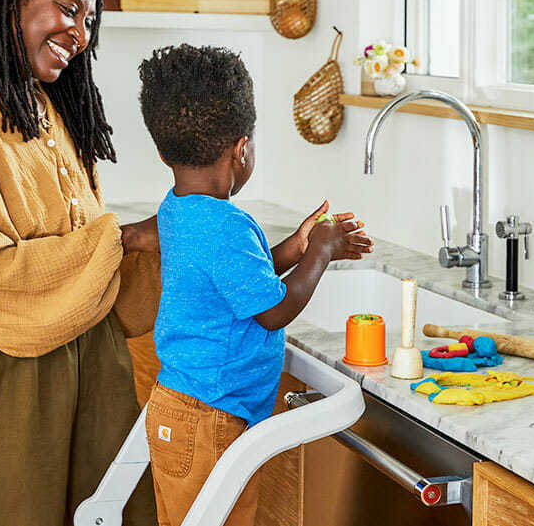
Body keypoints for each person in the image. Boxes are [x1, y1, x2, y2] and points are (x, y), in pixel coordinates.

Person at [0, 0, 160, 526]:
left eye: (89, 21)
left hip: (91, 367)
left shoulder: (47, 107)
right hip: (7, 373)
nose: (80, 34)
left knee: (105, 510)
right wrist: (127, 237)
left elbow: (93, 254)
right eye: (68, 8)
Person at [138, 44, 373, 526]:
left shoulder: (177, 209)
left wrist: (300, 244)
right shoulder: (227, 224)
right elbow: (272, 310)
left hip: (182, 407)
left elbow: (239, 279)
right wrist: (322, 253)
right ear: (241, 149)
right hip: (211, 419)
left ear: (163, 150)